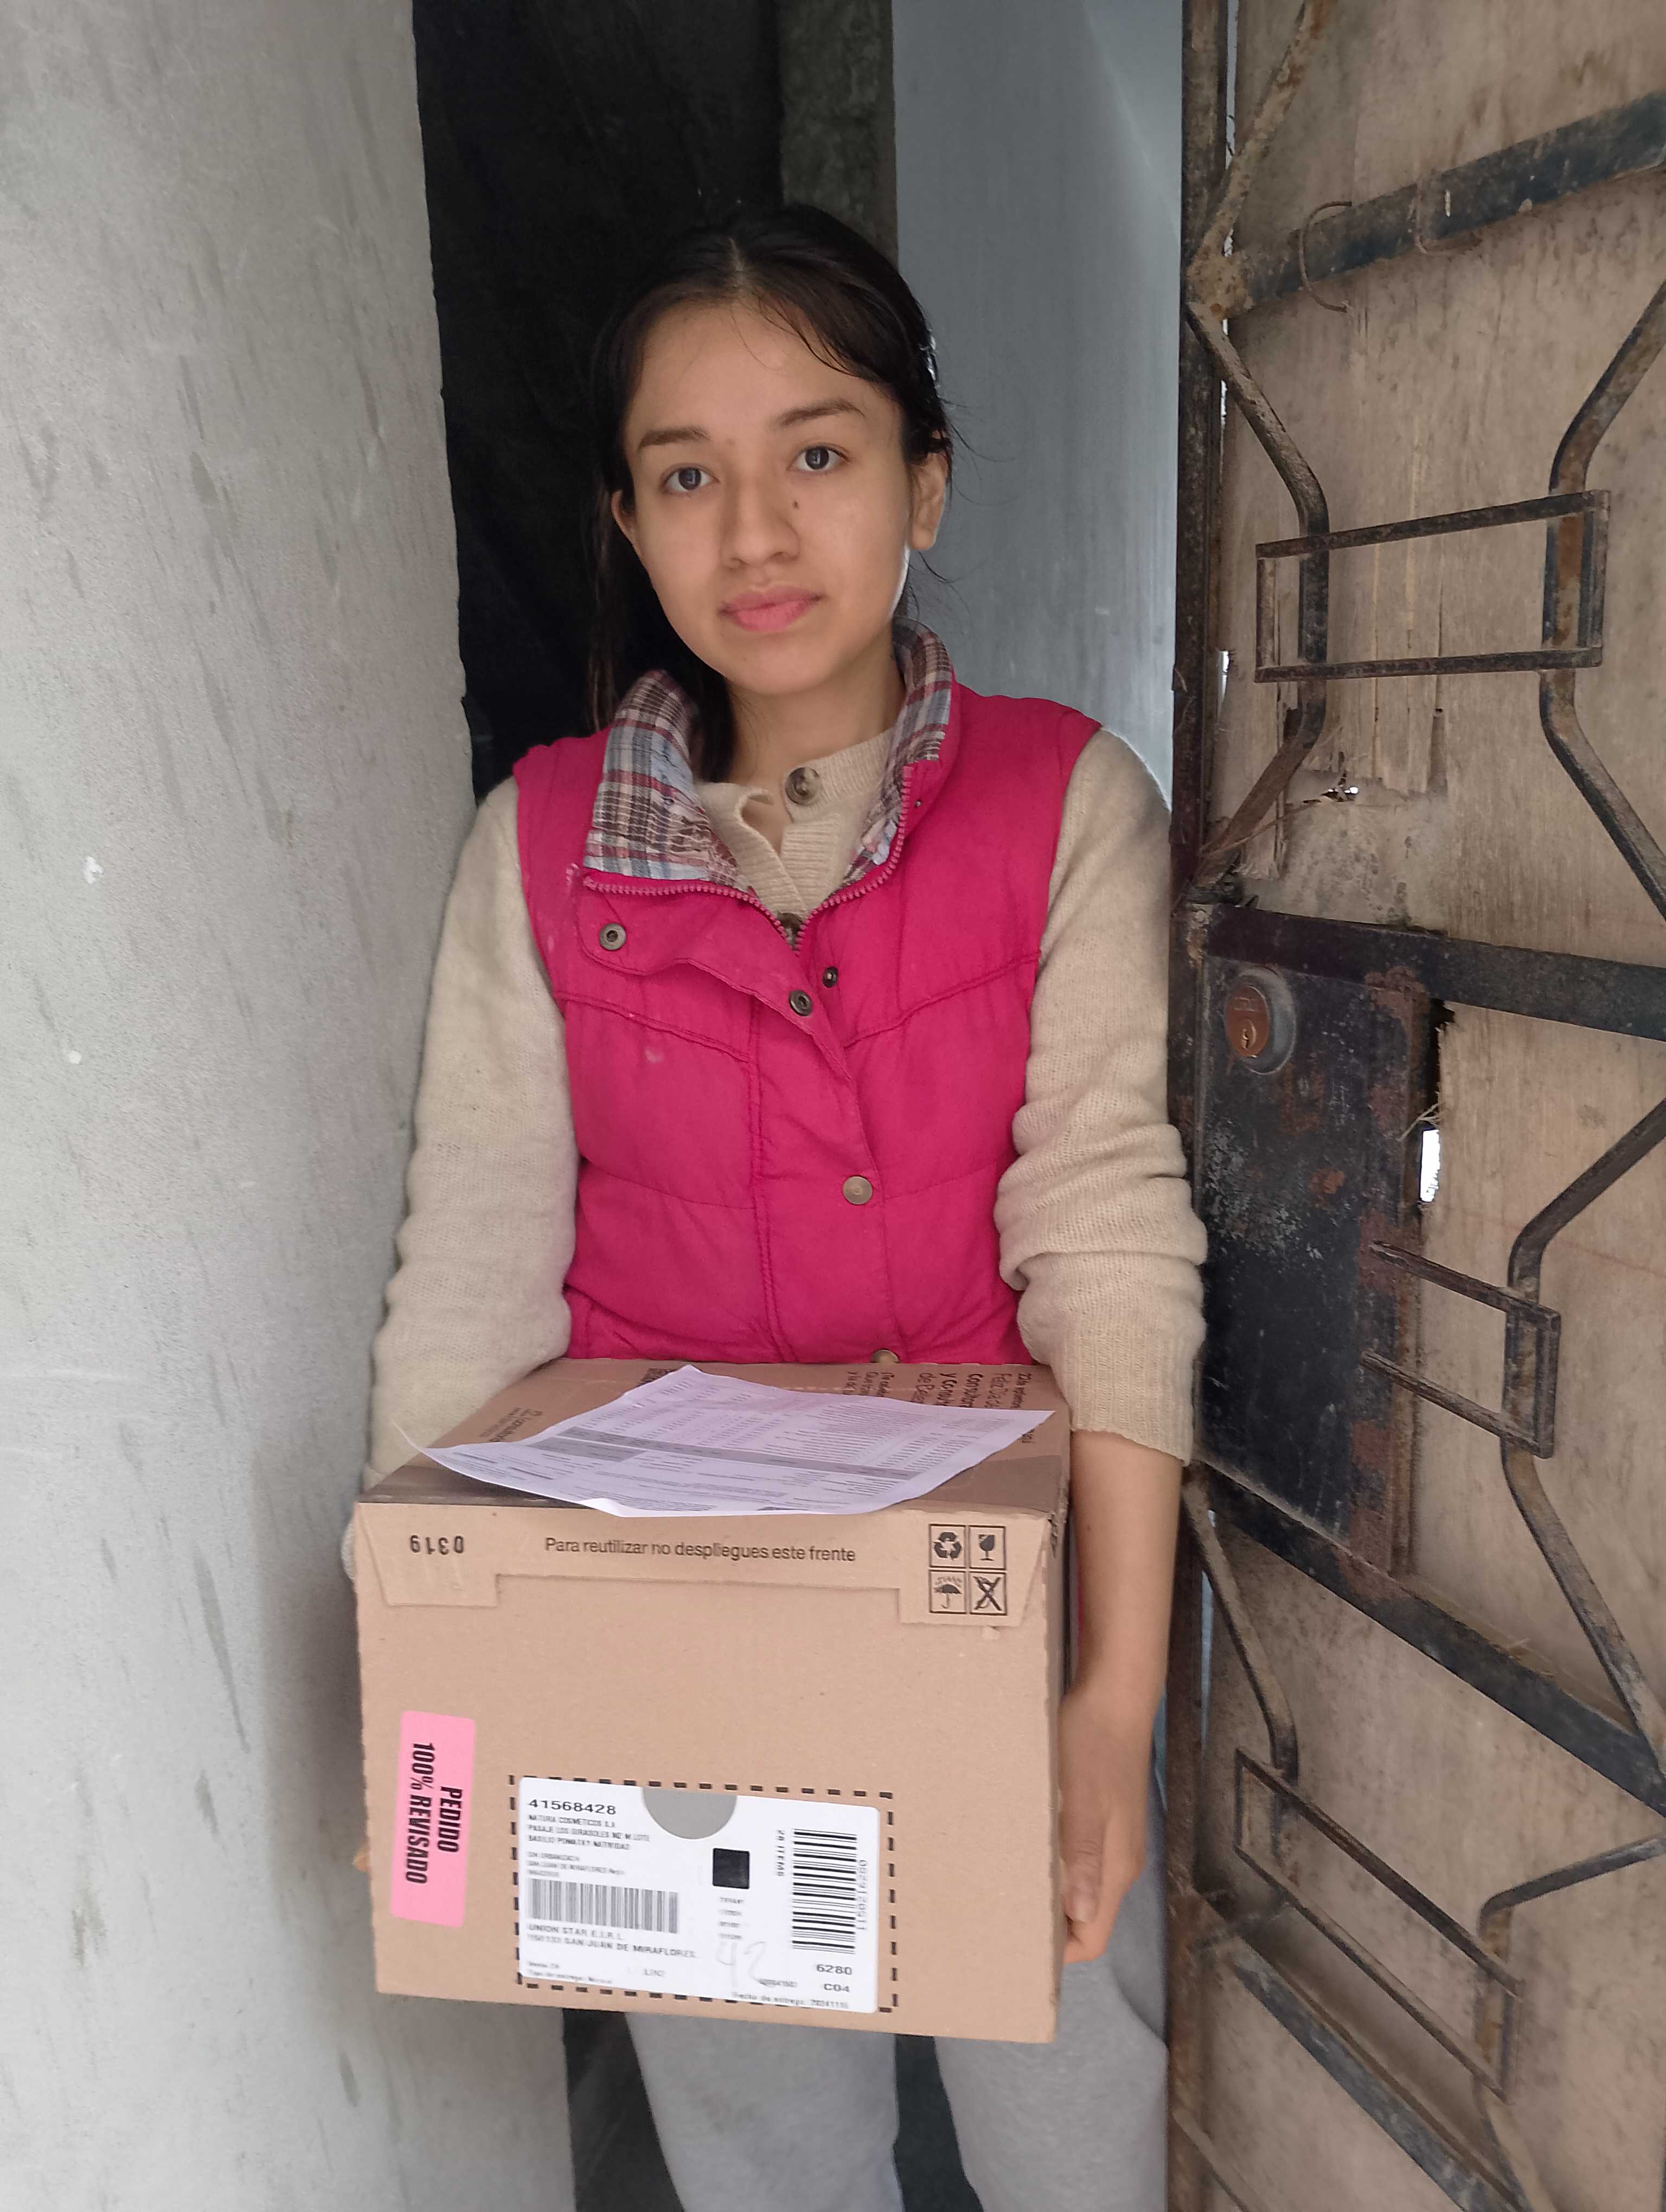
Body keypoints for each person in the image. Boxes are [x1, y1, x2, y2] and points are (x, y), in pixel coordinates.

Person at [365, 203, 1205, 2212]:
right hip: (678, 1643)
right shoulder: (539, 847)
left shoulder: (1068, 805)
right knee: (764, 2158)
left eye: (817, 453)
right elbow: (471, 1272)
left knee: (1074, 2136)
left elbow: (1108, 1234)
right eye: (686, 476)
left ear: (926, 484)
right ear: (629, 523)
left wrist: (1111, 1705)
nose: (754, 531)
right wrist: (436, 1689)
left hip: (1004, 1626)